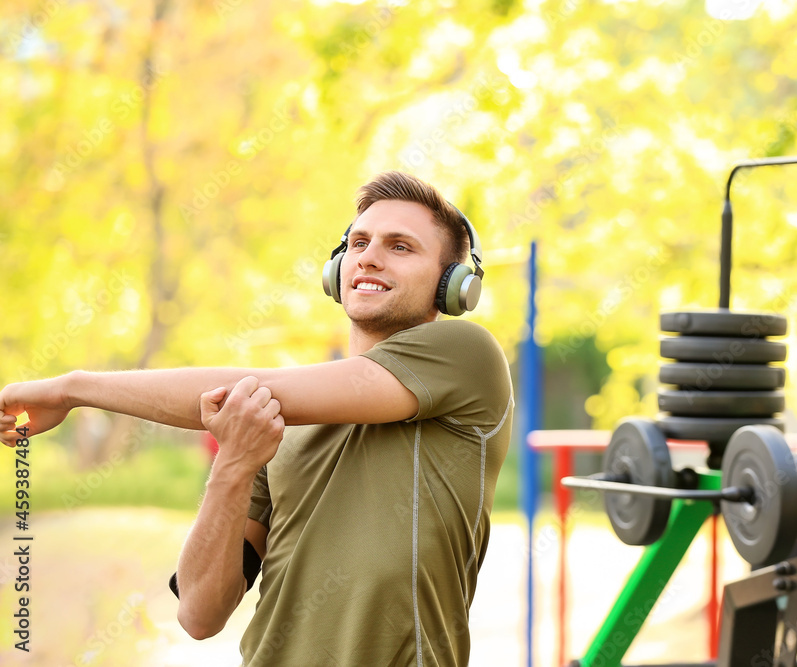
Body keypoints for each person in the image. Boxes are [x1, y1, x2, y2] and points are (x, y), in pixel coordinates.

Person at [0, 171, 514, 666]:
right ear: (337, 270)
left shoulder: (468, 356)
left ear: (453, 286)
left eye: (400, 246)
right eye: (358, 244)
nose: (370, 258)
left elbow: (235, 391)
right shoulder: (280, 418)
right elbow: (199, 614)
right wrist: (233, 466)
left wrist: (71, 390)